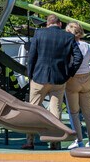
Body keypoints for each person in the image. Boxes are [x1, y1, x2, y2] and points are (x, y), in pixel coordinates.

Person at [23, 14, 83, 150]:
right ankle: (55, 142)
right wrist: (69, 72)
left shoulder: (39, 34)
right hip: (59, 79)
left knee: (33, 109)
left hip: (39, 77)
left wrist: (31, 74)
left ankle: (30, 141)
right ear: (60, 24)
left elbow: (31, 56)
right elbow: (78, 57)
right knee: (55, 110)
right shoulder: (68, 37)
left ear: (47, 24)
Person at [64, 22, 90, 149]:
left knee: (74, 112)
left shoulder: (68, 46)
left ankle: (78, 140)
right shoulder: (88, 46)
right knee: (88, 112)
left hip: (72, 79)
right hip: (86, 78)